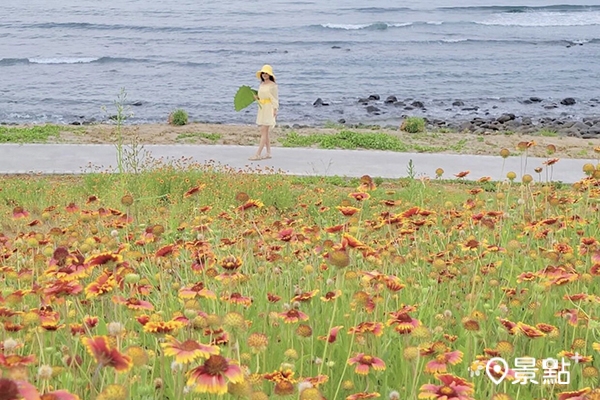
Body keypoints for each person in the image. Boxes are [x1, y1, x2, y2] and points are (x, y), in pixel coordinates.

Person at [249, 64, 279, 161]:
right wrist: (256, 98)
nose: (264, 75)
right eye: (263, 73)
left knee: (263, 131)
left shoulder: (273, 85)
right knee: (264, 132)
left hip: (269, 108)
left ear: (270, 75)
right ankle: (268, 152)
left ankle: (258, 154)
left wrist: (275, 110)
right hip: (262, 108)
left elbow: (275, 99)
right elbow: (261, 96)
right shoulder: (261, 84)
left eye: (266, 73)